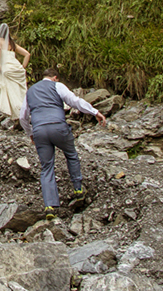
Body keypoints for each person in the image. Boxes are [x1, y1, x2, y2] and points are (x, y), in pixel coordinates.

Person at [20, 65, 107, 217]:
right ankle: (78, 189)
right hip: (58, 126)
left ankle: (50, 206)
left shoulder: (30, 91)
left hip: (39, 130)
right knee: (71, 154)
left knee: (47, 167)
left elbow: (22, 117)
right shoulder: (57, 86)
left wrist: (30, 133)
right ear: (55, 78)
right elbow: (75, 101)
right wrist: (95, 112)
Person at [0, 22, 30, 121]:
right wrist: (23, 67)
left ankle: (14, 113)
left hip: (6, 68)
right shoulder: (12, 43)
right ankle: (23, 112)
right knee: (17, 91)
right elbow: (27, 54)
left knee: (9, 90)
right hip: (16, 68)